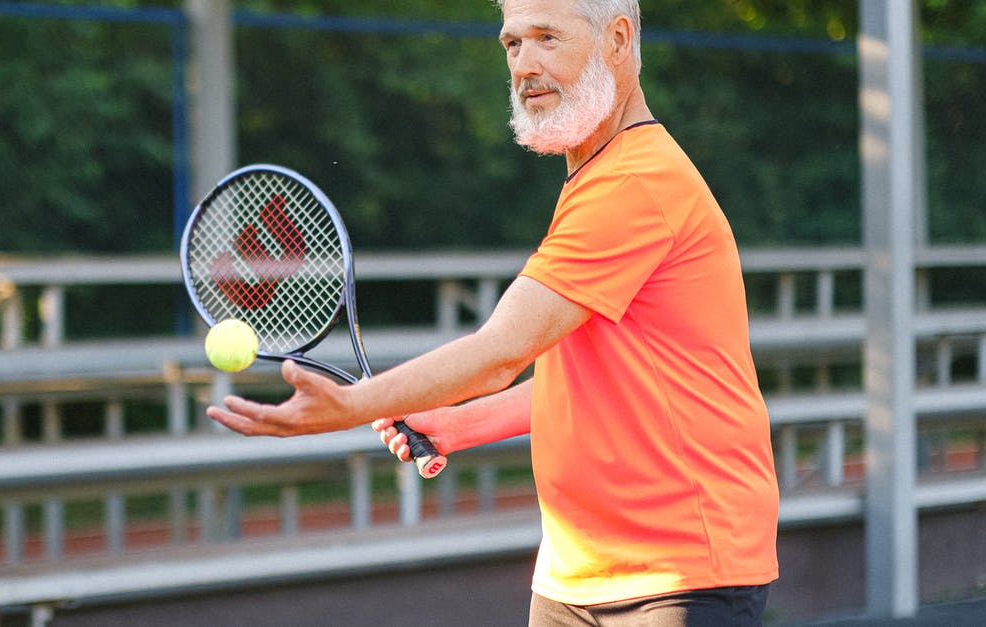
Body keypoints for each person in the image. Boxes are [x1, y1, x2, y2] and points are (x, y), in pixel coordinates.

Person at [206, 0, 780, 625]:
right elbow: (591, 381)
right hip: (574, 574)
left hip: (678, 575)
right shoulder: (600, 178)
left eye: (546, 38)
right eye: (512, 44)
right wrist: (457, 425)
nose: (525, 64)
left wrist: (350, 406)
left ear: (618, 41)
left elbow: (501, 352)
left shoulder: (637, 185)